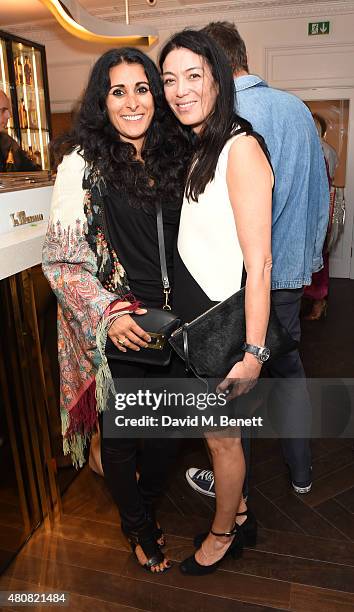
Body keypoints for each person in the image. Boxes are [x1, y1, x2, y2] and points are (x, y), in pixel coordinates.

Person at [42, 48, 190, 574]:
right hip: (121, 323)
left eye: (142, 88)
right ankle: (137, 525)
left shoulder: (177, 153)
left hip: (179, 322)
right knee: (125, 436)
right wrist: (109, 314)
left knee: (167, 435)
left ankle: (146, 503)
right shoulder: (81, 165)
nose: (132, 102)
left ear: (157, 93)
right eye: (118, 91)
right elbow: (62, 262)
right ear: (101, 102)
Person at [183, 21, 330, 510]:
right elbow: (321, 196)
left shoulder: (230, 117)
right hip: (289, 273)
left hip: (245, 279)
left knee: (237, 381)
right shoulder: (299, 111)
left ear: (219, 68)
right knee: (288, 372)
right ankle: (302, 472)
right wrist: (310, 260)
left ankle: (236, 492)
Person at [159, 29, 273, 575]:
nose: (180, 90)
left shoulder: (240, 148)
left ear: (217, 80)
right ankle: (243, 512)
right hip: (197, 328)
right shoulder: (201, 145)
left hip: (224, 332)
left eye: (193, 76)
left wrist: (254, 351)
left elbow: (261, 264)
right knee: (215, 439)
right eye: (170, 79)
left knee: (223, 442)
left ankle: (223, 533)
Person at [304, 112, 339, 320]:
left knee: (318, 254)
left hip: (319, 204)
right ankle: (314, 299)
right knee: (317, 253)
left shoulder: (319, 149)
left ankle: (318, 301)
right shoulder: (328, 149)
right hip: (320, 204)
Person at [0, 89, 39, 171]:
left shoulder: (7, 142)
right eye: (3, 110)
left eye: (8, 110)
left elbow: (29, 169)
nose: (8, 115)